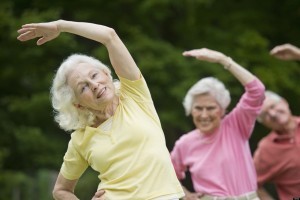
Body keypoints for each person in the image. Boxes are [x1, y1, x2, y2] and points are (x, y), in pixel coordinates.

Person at [17, 20, 185, 200]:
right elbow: (60, 190)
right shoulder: (80, 139)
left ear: (106, 73)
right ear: (78, 104)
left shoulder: (134, 94)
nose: (95, 85)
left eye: (94, 75)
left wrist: (60, 26)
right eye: (83, 88)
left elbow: (109, 36)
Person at [170, 48, 265, 200]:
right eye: (198, 108)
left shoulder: (235, 124)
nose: (204, 115)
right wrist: (186, 195)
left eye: (211, 108)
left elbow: (257, 91)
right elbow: (166, 175)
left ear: (222, 110)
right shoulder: (185, 143)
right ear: (190, 111)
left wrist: (223, 60)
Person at [253, 90, 300, 200]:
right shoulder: (266, 149)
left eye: (273, 106)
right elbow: (249, 182)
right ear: (263, 122)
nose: (273, 114)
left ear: (284, 102)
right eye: (265, 114)